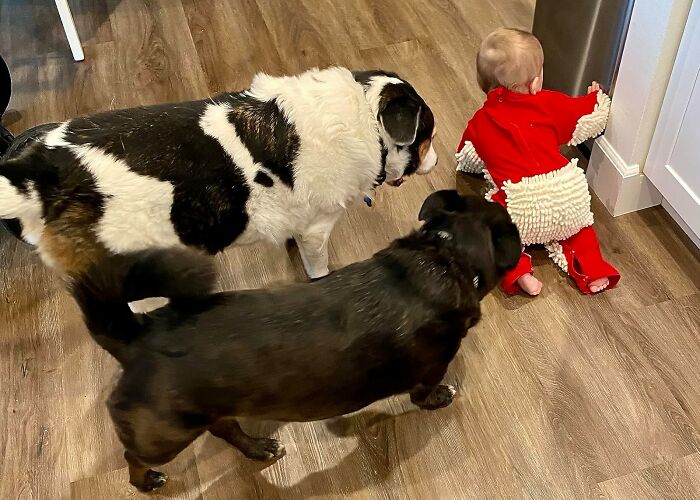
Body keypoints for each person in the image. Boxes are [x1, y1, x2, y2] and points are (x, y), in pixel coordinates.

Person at [456, 27, 620, 296]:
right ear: (534, 83)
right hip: (566, 193)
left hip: (521, 205)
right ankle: (592, 268)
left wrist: (474, 165)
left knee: (494, 230)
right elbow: (591, 117)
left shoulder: (480, 121)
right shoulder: (549, 103)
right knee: (579, 229)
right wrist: (595, 98)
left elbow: (468, 154)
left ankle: (519, 272)